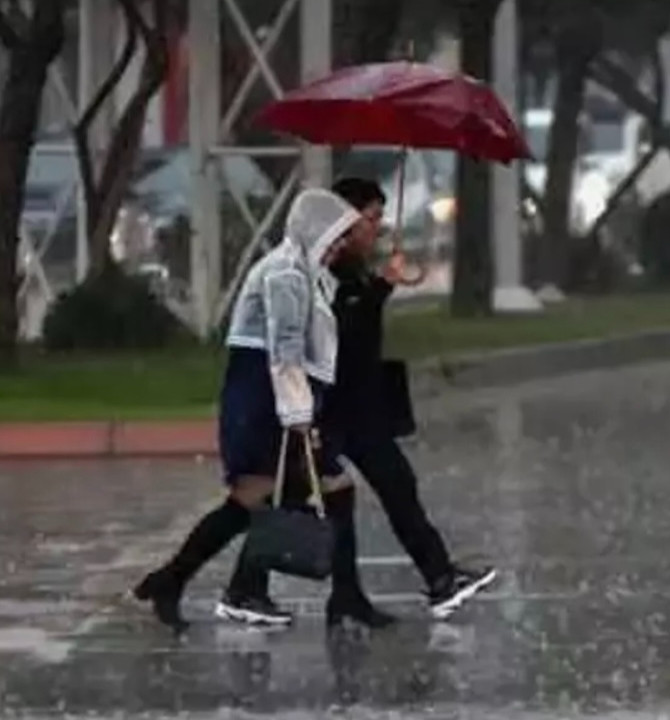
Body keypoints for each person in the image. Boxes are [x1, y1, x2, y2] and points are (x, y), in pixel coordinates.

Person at [132, 188, 363, 632]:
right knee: (270, 495)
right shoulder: (285, 274)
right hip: (264, 397)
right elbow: (285, 350)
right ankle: (230, 588)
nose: (339, 246)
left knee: (278, 495)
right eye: (335, 236)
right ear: (313, 230)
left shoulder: (304, 273)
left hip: (272, 395)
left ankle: (209, 584)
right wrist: (299, 416)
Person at [324, 177, 495, 622]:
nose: (376, 228)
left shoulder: (354, 265)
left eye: (380, 218)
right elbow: (342, 329)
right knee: (295, 501)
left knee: (389, 489)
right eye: (371, 218)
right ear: (345, 216)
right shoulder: (329, 266)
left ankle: (430, 579)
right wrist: (380, 286)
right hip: (335, 404)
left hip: (358, 403)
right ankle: (247, 586)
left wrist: (381, 283)